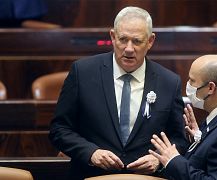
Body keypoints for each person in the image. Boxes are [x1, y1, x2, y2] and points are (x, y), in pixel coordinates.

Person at [49, 6, 188, 179]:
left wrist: (159, 159)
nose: (129, 49)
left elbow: (180, 139)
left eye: (137, 41)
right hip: (91, 175)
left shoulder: (169, 82)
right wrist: (91, 153)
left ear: (150, 41)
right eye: (123, 39)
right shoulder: (82, 72)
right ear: (113, 37)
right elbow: (59, 129)